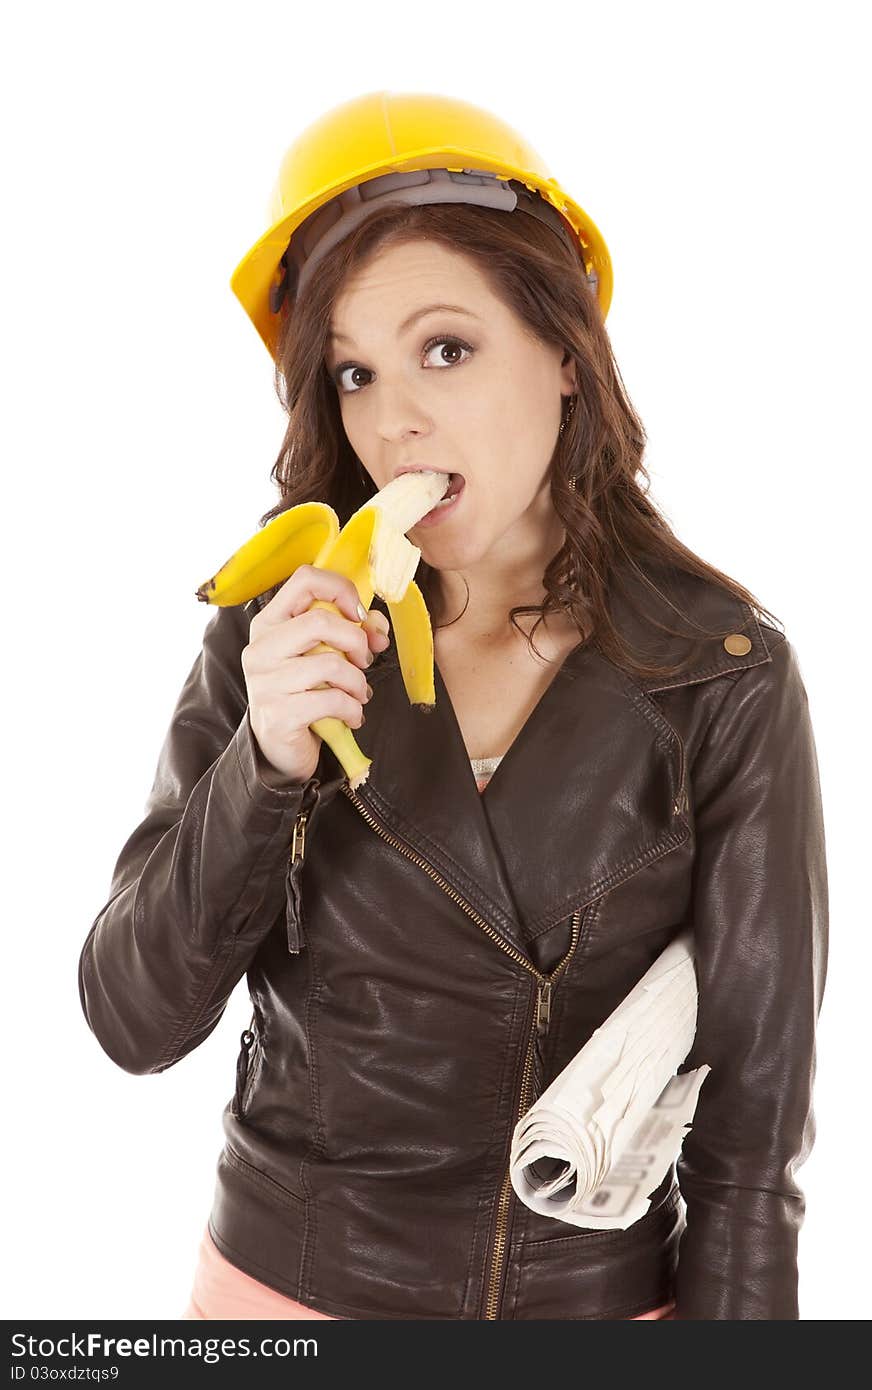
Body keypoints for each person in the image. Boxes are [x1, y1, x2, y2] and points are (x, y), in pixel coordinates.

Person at [77, 90, 829, 1320]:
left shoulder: (722, 672)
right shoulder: (285, 619)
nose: (395, 419)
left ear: (567, 357)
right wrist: (262, 764)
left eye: (446, 348)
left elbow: (752, 1148)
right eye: (354, 372)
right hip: (285, 1295)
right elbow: (132, 1017)